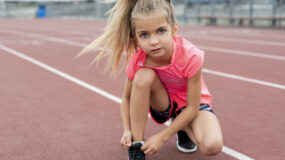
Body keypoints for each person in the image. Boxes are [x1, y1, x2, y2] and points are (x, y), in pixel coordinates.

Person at [78, 0, 223, 159]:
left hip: (190, 106)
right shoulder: (138, 60)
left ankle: (183, 129)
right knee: (143, 75)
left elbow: (193, 108)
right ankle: (137, 146)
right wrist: (128, 131)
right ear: (136, 38)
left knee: (212, 146)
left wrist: (162, 137)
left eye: (161, 31)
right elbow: (126, 98)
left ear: (174, 29)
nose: (153, 41)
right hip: (163, 103)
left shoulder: (191, 56)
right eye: (144, 35)